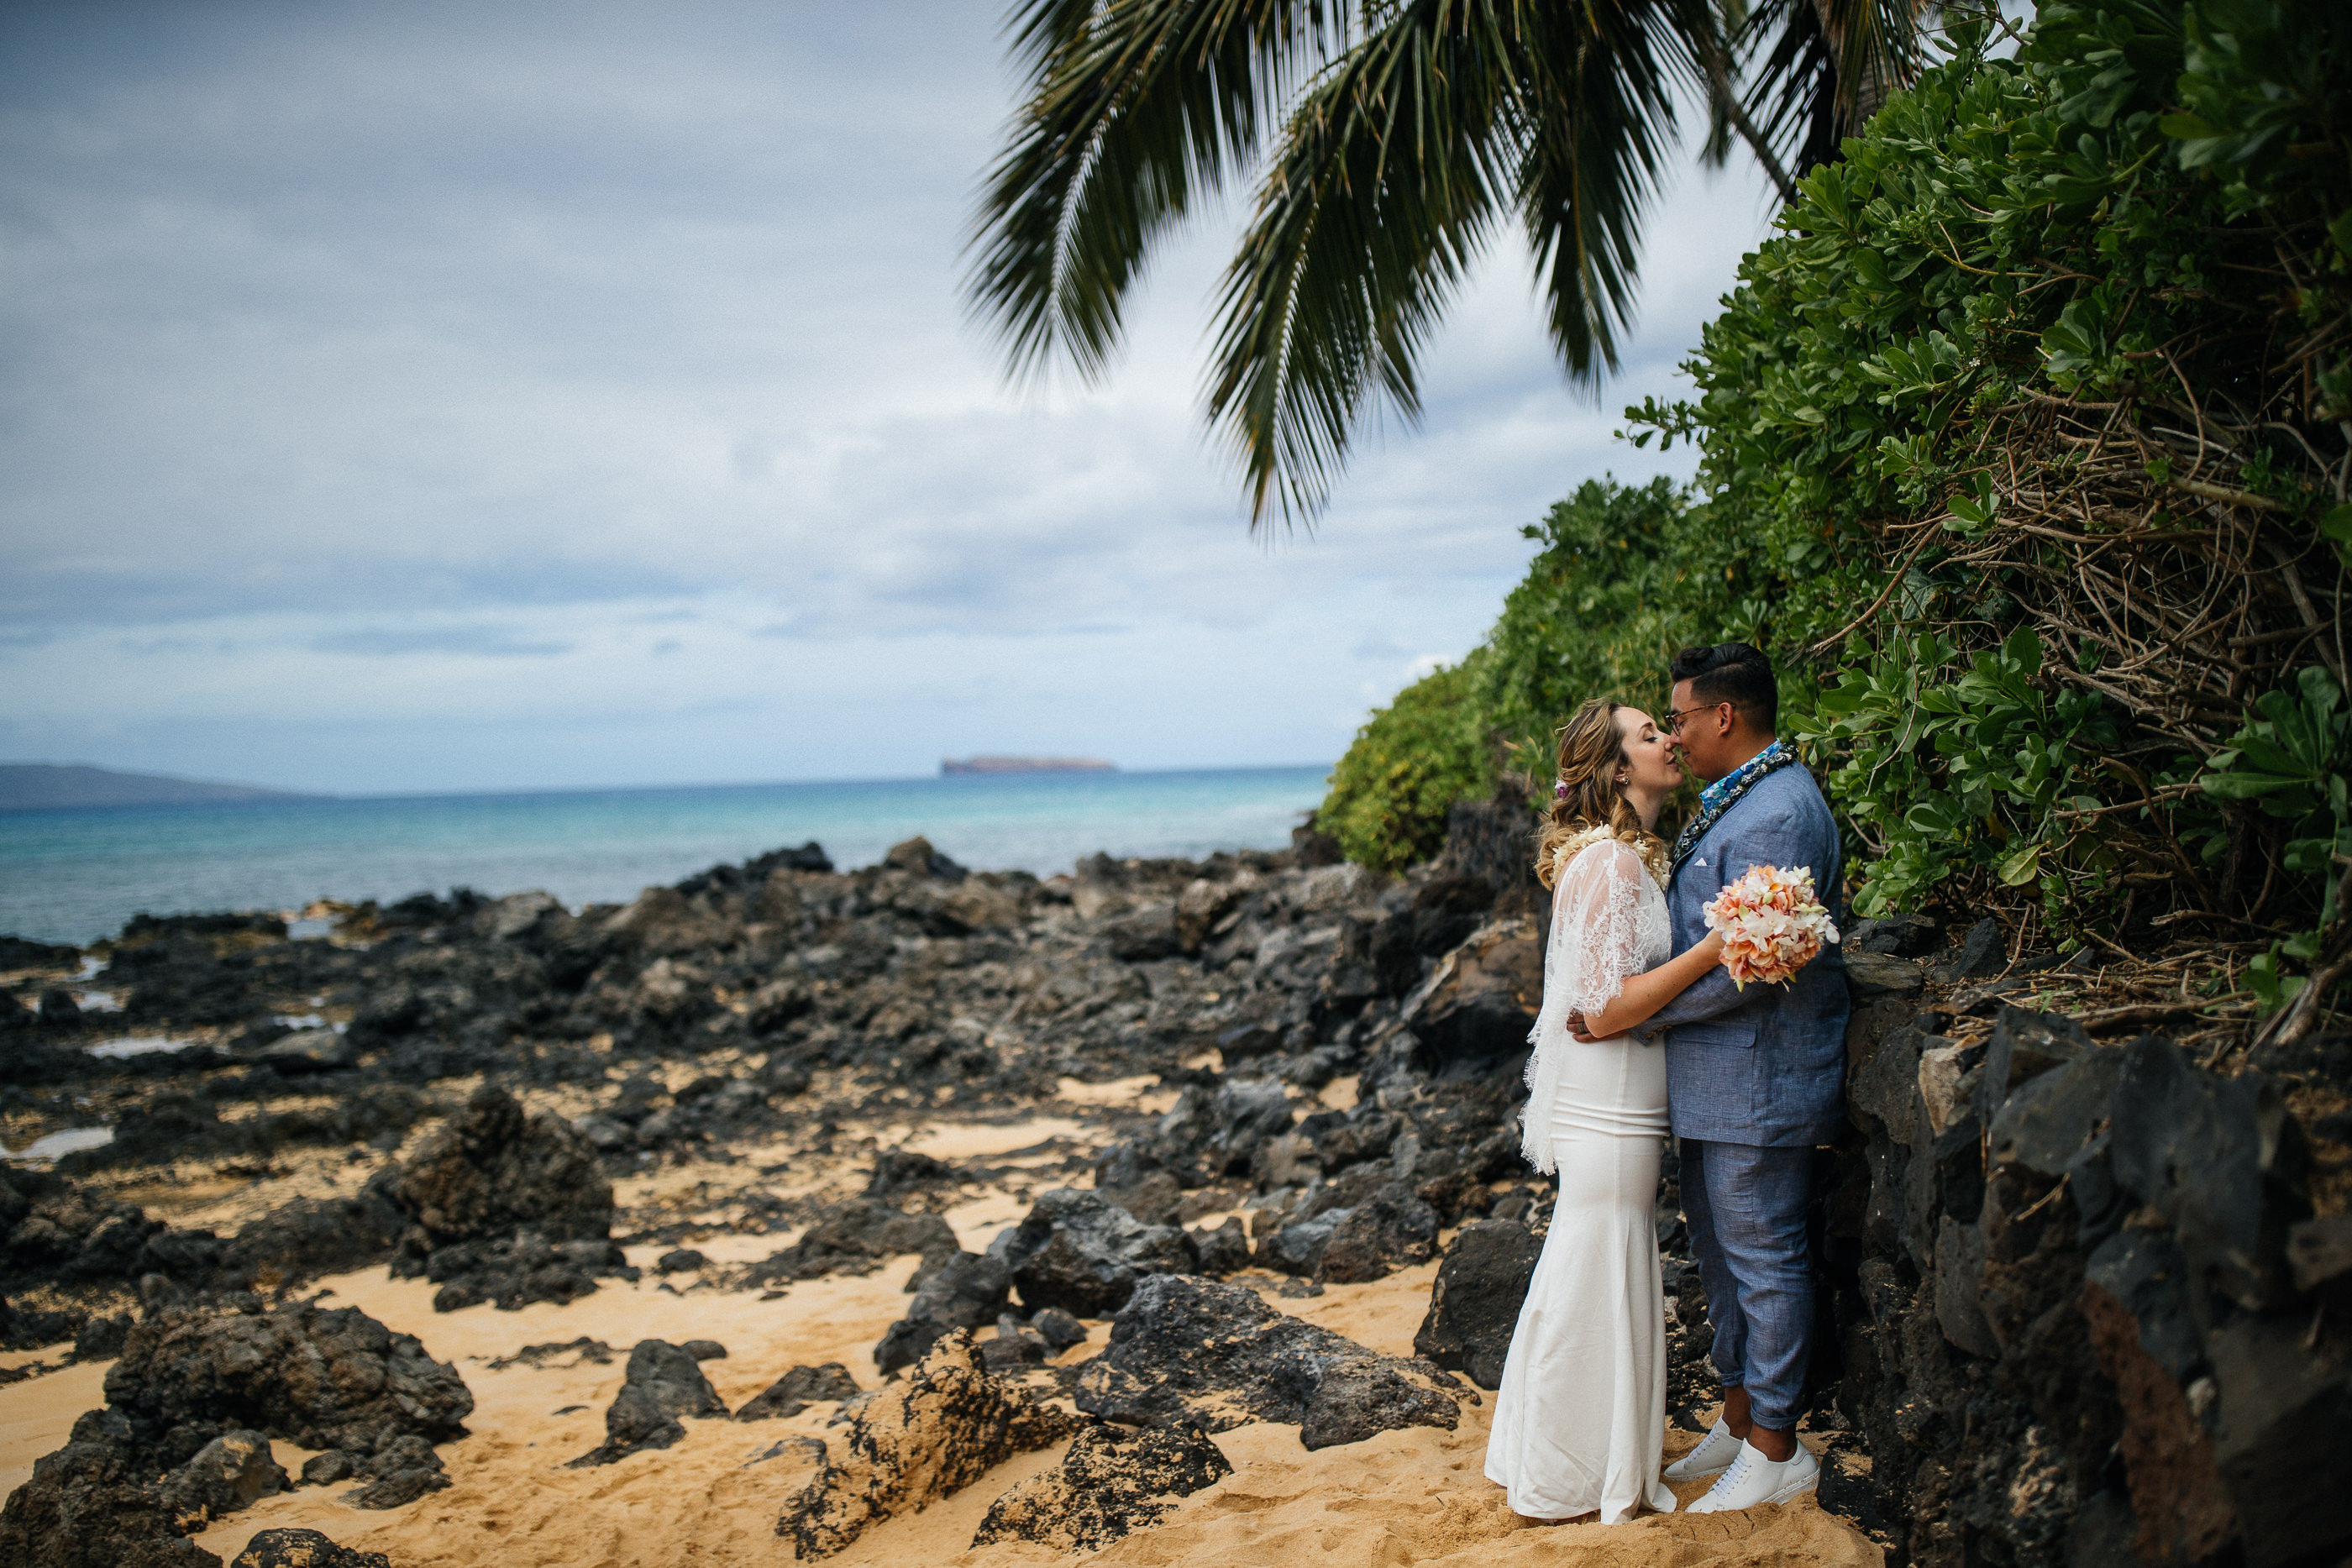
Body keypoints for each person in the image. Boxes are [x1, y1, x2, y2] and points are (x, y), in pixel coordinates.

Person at [1570, 642, 1848, 1513]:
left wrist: (1634, 1013)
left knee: (1764, 1258)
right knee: (1726, 1262)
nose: (1677, 735)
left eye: (1681, 717)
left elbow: (1754, 966)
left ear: (1724, 715)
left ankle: (1775, 1445)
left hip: (1759, 1081)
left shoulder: (1775, 813)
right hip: (1718, 1084)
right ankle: (1738, 1417)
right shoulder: (1743, 798)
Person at [1484, 699, 1728, 1524]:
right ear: (1618, 768)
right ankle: (1565, 1473)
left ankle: (1551, 1455)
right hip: (1612, 1099)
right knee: (1599, 1261)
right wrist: (1714, 948)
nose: (1668, 739)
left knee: (1589, 1261)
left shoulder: (1621, 857)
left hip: (1619, 1092)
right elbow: (1603, 1003)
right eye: (1649, 733)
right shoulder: (1612, 865)